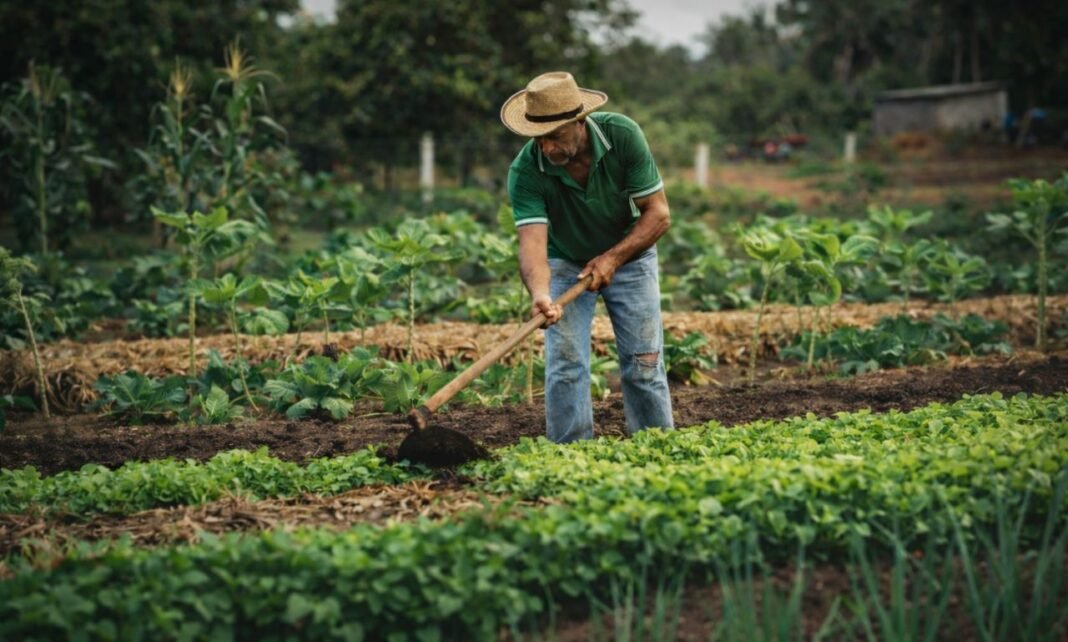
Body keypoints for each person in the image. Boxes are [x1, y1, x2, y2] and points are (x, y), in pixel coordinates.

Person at [499, 71, 674, 443]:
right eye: (539, 138)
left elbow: (658, 215)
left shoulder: (622, 136)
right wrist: (540, 295)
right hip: (565, 262)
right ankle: (570, 454)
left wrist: (612, 258)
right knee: (565, 364)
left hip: (630, 254)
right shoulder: (526, 169)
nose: (546, 148)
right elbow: (532, 244)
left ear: (580, 122)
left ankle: (657, 447)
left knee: (643, 361)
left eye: (555, 136)